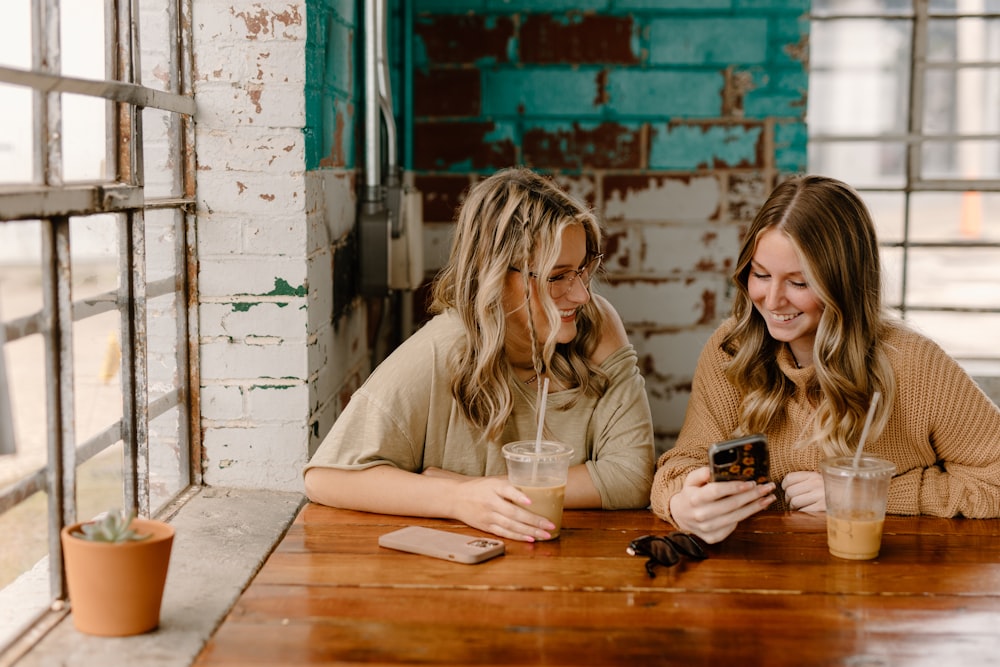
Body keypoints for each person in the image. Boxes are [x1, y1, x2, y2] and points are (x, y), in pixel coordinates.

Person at [304, 167, 655, 542]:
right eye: (558, 277)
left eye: (584, 269)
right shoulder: (442, 348)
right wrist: (457, 499)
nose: (582, 294)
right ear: (497, 277)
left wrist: (481, 488)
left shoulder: (595, 324)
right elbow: (327, 478)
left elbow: (632, 476)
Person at [650, 175, 1000, 544]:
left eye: (799, 283)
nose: (772, 300)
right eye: (761, 275)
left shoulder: (913, 364)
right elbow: (678, 465)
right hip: (759, 583)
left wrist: (867, 493)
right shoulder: (732, 349)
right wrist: (681, 502)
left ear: (844, 284)